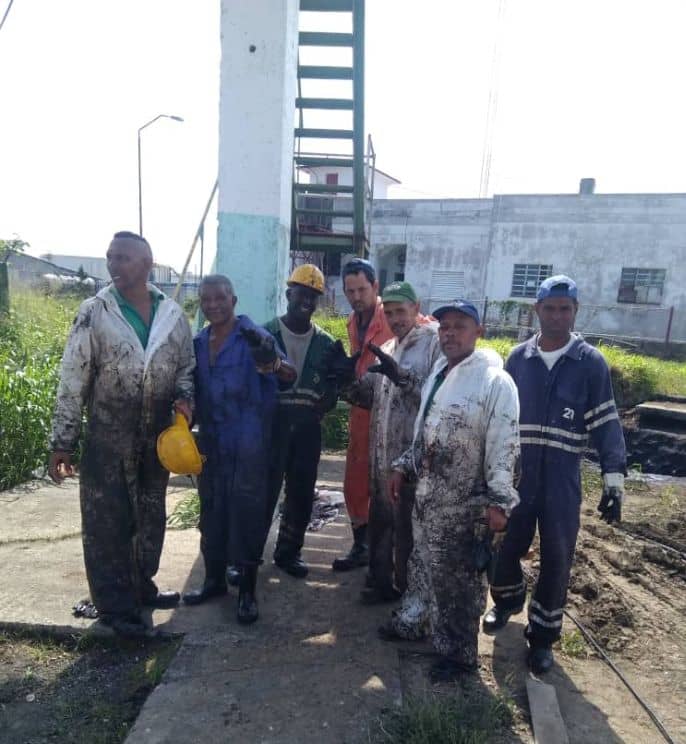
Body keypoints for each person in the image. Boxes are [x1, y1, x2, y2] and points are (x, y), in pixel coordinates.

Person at [48, 231, 195, 638]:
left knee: (150, 517)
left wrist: (185, 399)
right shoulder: (94, 311)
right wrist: (62, 441)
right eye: (111, 257)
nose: (114, 265)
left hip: (156, 439)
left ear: (147, 264)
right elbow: (72, 380)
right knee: (107, 523)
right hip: (107, 436)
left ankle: (141, 588)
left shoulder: (172, 314)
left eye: (124, 258)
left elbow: (185, 367)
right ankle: (114, 607)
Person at [485, 275, 626, 674]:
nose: (558, 316)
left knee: (557, 558)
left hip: (562, 480)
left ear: (575, 311)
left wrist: (614, 478)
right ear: (537, 311)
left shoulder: (590, 363)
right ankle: (508, 600)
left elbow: (605, 421)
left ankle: (543, 636)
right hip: (519, 475)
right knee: (506, 545)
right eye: (550, 308)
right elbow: (499, 419)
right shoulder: (517, 360)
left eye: (566, 309)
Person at [380, 300, 520, 682]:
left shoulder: (495, 382)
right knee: (422, 567)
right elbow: (425, 431)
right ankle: (414, 622)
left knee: (457, 583)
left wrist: (500, 501)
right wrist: (403, 465)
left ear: (479, 331)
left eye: (460, 326)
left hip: (465, 504)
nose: (450, 333)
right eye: (444, 327)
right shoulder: (440, 371)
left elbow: (504, 447)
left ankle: (459, 656)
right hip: (427, 496)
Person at [182, 275, 295, 624]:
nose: (213, 304)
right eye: (206, 299)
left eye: (220, 298)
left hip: (249, 445)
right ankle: (214, 581)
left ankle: (246, 592)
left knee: (246, 516)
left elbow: (289, 376)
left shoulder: (254, 336)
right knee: (212, 513)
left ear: (234, 300)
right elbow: (192, 390)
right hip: (212, 445)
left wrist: (272, 362)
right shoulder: (198, 342)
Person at [341, 281, 442, 602]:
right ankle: (381, 582)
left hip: (413, 456)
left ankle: (410, 593)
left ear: (416, 308)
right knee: (381, 521)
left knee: (409, 528)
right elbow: (369, 396)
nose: (396, 318)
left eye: (402, 311)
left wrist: (403, 378)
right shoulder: (385, 348)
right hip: (381, 455)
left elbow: (439, 395)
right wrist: (345, 383)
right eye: (390, 312)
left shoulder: (433, 344)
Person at [263, 265, 338, 578]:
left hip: (307, 429)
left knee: (301, 492)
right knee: (262, 493)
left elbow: (334, 387)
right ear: (288, 294)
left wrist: (330, 397)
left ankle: (288, 552)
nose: (306, 300)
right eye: (301, 294)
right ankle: (248, 556)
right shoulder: (265, 333)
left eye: (313, 296)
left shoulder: (327, 344)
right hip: (271, 427)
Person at [330, 258, 393, 572]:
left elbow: (426, 331)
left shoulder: (392, 315)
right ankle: (361, 546)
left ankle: (386, 556)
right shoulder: (354, 322)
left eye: (362, 289)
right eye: (350, 290)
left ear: (376, 287)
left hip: (389, 417)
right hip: (360, 413)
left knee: (387, 488)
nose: (356, 296)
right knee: (354, 483)